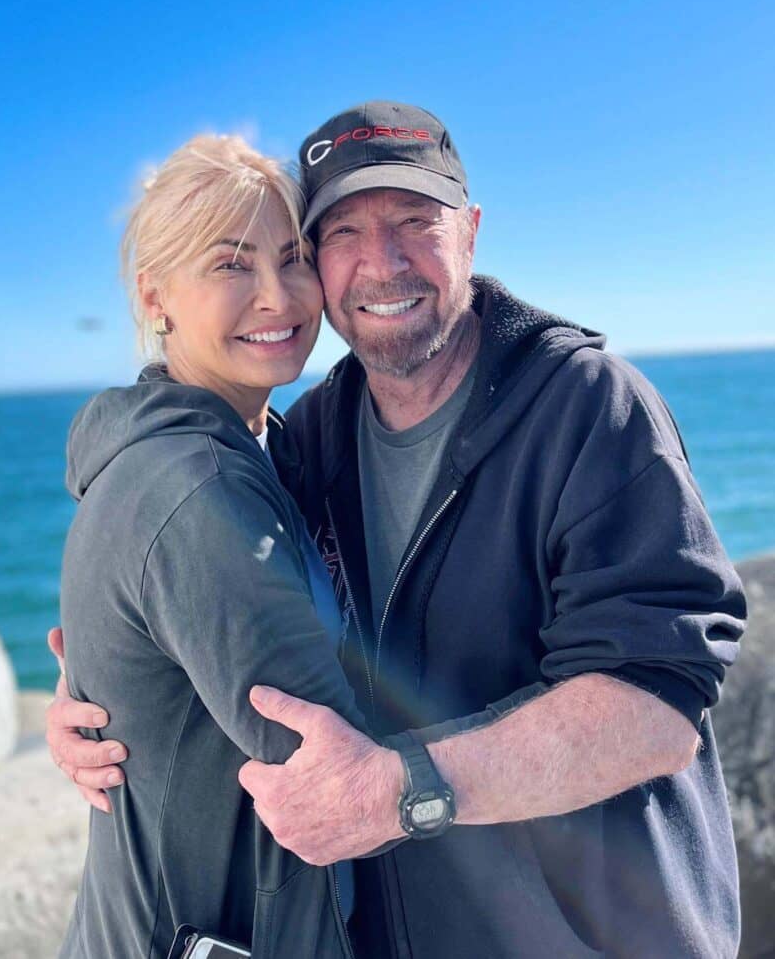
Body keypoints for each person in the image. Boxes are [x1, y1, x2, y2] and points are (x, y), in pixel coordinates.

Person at [48, 103, 745, 958]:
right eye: (338, 234)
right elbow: (214, 608)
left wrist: (404, 787)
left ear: (472, 233)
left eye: (416, 220)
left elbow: (656, 706)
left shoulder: (589, 410)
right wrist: (109, 700)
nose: (382, 263)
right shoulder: (307, 443)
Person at [53, 133, 390, 959]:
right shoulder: (193, 487)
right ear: (156, 296)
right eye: (232, 265)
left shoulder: (255, 446)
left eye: (292, 258)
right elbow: (334, 776)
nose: (277, 297)